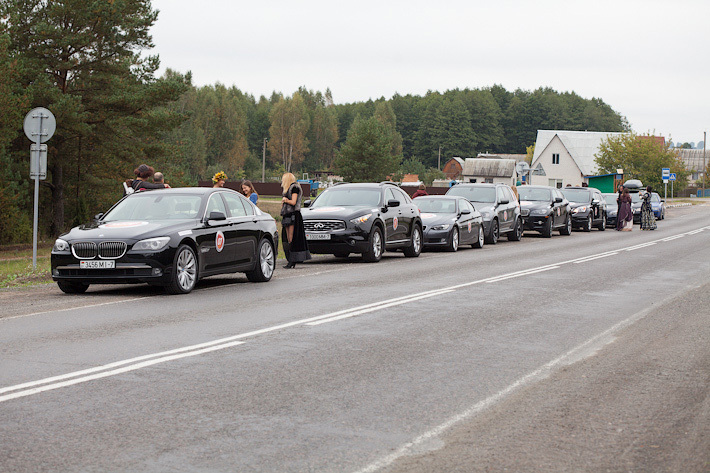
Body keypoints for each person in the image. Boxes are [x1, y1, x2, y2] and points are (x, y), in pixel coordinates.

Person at [280, 172, 311, 269]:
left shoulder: (295, 188)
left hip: (294, 214)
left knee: (291, 237)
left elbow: (293, 202)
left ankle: (292, 260)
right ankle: (291, 259)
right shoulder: (289, 189)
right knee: (288, 238)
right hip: (287, 214)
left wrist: (285, 200)